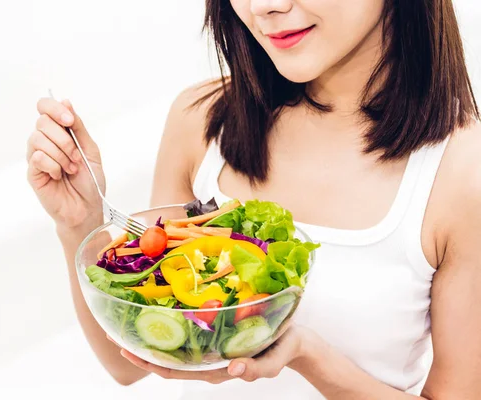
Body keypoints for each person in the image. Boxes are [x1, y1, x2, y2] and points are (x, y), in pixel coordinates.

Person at [26, 0, 481, 398]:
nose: (264, 6)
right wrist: (81, 222)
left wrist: (306, 354)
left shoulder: (462, 173)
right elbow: (128, 363)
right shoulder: (202, 122)